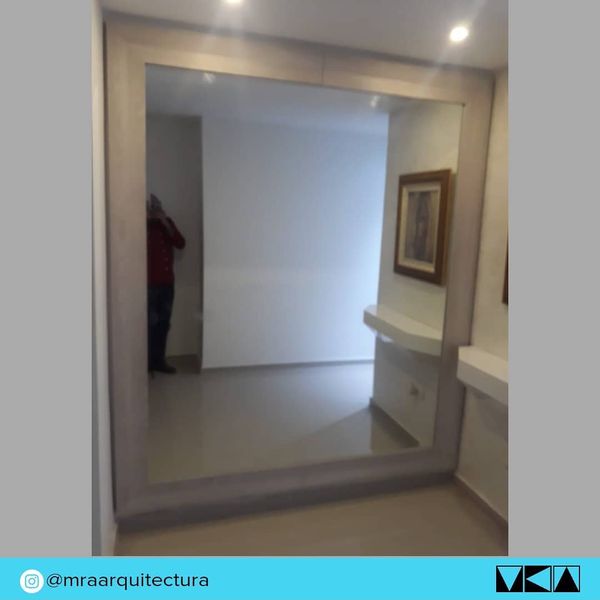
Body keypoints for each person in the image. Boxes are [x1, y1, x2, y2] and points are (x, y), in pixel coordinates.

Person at [147, 194, 186, 374]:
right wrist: (147, 220)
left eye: (157, 207)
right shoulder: (142, 225)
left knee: (163, 325)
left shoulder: (167, 223)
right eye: (152, 207)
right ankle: (147, 363)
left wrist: (164, 221)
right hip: (148, 284)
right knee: (149, 325)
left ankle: (159, 361)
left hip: (167, 284)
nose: (155, 210)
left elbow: (180, 243)